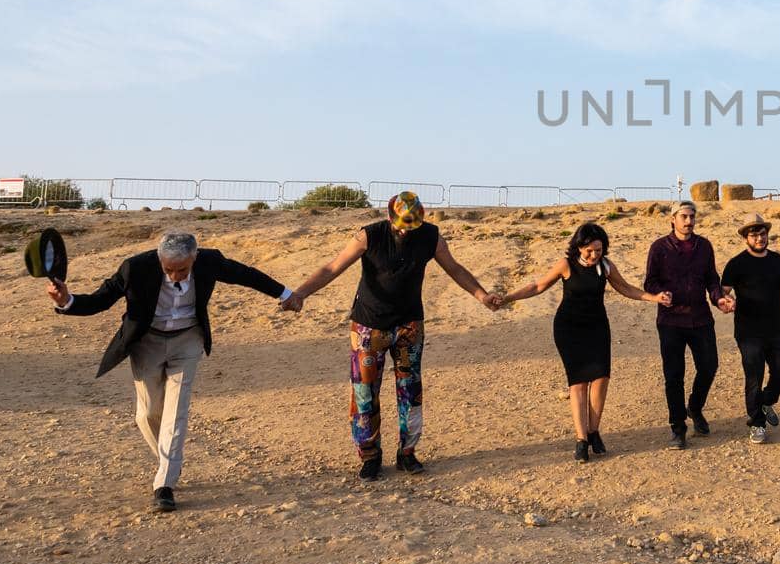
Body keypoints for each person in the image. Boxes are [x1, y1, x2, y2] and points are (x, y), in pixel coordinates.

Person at [48, 230, 295, 511]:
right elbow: (100, 300)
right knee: (148, 413)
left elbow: (247, 275)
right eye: (169, 270)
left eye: (182, 269)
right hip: (147, 342)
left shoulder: (209, 261)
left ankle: (164, 484)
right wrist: (66, 301)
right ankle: (169, 463)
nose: (176, 276)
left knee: (176, 411)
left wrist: (287, 294)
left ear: (195, 257)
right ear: (159, 259)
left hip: (187, 340)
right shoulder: (135, 267)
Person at [285, 191, 499, 480]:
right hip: (368, 326)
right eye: (400, 224)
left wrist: (481, 294)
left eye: (410, 225)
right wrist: (300, 293)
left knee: (410, 391)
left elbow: (454, 268)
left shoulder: (430, 236)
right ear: (389, 217)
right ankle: (370, 455)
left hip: (409, 325)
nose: (404, 229)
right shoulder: (369, 236)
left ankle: (407, 453)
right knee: (364, 393)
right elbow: (333, 267)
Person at [496, 222, 670, 461]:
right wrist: (507, 298)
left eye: (598, 250)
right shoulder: (566, 265)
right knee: (578, 383)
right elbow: (537, 286)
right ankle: (581, 440)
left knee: (601, 379)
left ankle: (593, 430)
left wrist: (654, 298)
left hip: (597, 327)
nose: (593, 255)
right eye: (589, 250)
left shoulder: (606, 267)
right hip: (569, 328)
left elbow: (626, 289)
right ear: (578, 246)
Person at [642, 201, 735, 449]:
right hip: (670, 320)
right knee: (674, 375)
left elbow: (712, 280)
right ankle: (678, 427)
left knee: (709, 366)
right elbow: (649, 282)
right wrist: (660, 293)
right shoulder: (659, 248)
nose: (689, 221)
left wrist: (720, 299)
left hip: (700, 318)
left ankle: (694, 407)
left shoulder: (704, 246)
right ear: (673, 219)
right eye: (684, 216)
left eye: (692, 216)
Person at [721, 214, 780, 444]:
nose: (760, 238)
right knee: (754, 376)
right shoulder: (736, 264)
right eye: (754, 234)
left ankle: (764, 402)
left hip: (775, 328)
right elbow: (724, 290)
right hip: (748, 331)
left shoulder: (776, 260)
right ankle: (757, 423)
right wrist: (726, 300)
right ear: (745, 238)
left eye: (763, 233)